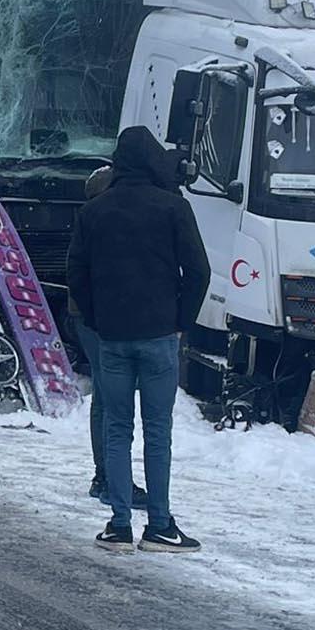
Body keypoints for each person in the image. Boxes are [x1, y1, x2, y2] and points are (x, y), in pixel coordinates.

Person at [68, 127, 210, 554]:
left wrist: (97, 319)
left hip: (112, 336)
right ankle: (160, 525)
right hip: (160, 335)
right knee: (157, 430)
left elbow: (77, 273)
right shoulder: (174, 207)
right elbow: (199, 271)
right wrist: (181, 320)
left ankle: (119, 525)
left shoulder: (94, 211)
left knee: (116, 427)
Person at [70, 165, 147, 508]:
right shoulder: (102, 225)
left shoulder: (88, 221)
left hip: (90, 317)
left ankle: (105, 475)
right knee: (111, 397)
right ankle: (110, 478)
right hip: (99, 319)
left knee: (105, 395)